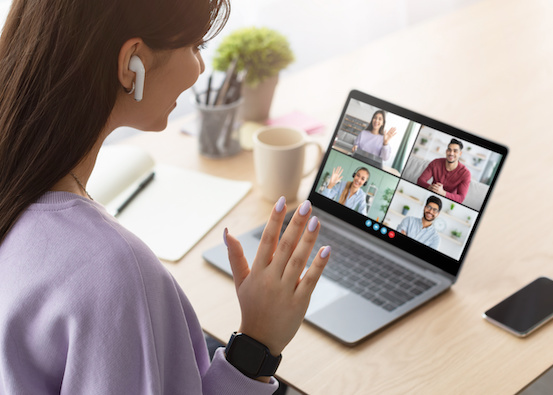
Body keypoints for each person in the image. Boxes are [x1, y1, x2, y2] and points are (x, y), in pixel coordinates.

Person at [0, 0, 331, 393]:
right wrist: (259, 344)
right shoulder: (113, 275)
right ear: (132, 64)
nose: (201, 69)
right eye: (196, 48)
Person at [417, 138, 471, 203]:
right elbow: (420, 180)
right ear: (446, 151)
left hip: (447, 201)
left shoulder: (465, 173)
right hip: (430, 195)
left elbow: (461, 198)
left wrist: (443, 193)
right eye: (449, 150)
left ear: (460, 154)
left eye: (455, 151)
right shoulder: (435, 163)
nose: (451, 153)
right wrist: (431, 187)